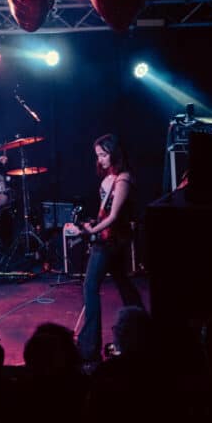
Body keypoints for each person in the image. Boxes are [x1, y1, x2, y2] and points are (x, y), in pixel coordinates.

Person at [76, 134, 144, 365]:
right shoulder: (110, 177)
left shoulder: (123, 179)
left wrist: (91, 232)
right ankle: (142, 330)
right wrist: (91, 225)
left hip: (112, 241)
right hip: (108, 238)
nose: (100, 160)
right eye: (98, 156)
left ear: (114, 153)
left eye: (104, 155)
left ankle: (89, 348)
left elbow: (114, 216)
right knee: (123, 284)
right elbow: (104, 212)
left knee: (90, 287)